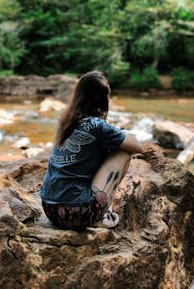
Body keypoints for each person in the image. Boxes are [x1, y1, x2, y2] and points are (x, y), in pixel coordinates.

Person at [40, 70, 143, 230]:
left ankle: (94, 210)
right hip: (77, 213)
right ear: (102, 99)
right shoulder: (97, 126)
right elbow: (137, 146)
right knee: (123, 152)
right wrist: (121, 134)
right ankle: (100, 215)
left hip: (50, 209)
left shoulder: (65, 121)